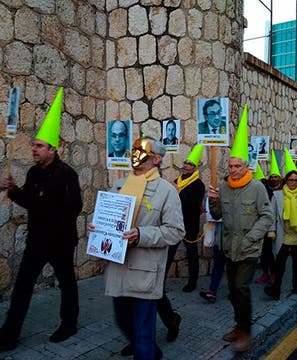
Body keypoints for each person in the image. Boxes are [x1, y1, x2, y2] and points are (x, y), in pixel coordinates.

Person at [0, 88, 83, 352]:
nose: (34, 149)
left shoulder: (68, 174)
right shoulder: (33, 173)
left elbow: (73, 209)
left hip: (60, 243)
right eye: (34, 145)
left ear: (53, 149)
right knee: (22, 287)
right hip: (37, 242)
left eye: (39, 146)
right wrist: (14, 190)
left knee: (67, 282)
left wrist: (55, 232)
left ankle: (69, 323)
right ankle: (9, 335)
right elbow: (30, 202)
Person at [92, 136, 185, 360]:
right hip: (119, 266)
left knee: (143, 334)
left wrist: (141, 234)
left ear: (157, 159)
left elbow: (176, 231)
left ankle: (147, 352)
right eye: (133, 149)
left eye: (141, 151)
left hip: (145, 271)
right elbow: (111, 220)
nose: (134, 154)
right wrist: (99, 226)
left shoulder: (166, 191)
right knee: (123, 322)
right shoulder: (119, 185)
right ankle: (153, 352)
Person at [208, 105, 273, 352]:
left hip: (248, 249)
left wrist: (252, 239)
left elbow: (267, 216)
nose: (234, 169)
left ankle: (245, 331)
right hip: (228, 248)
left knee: (241, 289)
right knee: (233, 292)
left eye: (238, 166)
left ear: (246, 166)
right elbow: (217, 215)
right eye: (231, 165)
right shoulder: (224, 187)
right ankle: (238, 326)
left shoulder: (256, 188)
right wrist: (212, 200)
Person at [156, 145, 204, 344]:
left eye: (190, 164)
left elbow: (191, 204)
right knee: (168, 254)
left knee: (192, 253)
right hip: (174, 225)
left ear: (196, 167)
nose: (186, 166)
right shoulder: (177, 181)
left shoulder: (198, 185)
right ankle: (161, 284)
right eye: (185, 163)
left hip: (190, 226)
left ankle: (192, 282)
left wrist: (175, 192)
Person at [264, 152, 297, 301]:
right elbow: (272, 215)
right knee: (279, 262)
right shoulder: (277, 195)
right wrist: (271, 231)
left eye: (295, 180)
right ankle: (276, 289)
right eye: (290, 179)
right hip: (284, 233)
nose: (293, 182)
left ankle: (295, 284)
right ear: (286, 180)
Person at [255, 153, 281, 285]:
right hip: (263, 225)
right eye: (272, 177)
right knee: (265, 251)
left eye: (276, 177)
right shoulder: (265, 190)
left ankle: (274, 274)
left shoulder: (282, 191)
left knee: (275, 252)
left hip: (277, 227)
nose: (274, 179)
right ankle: (265, 273)